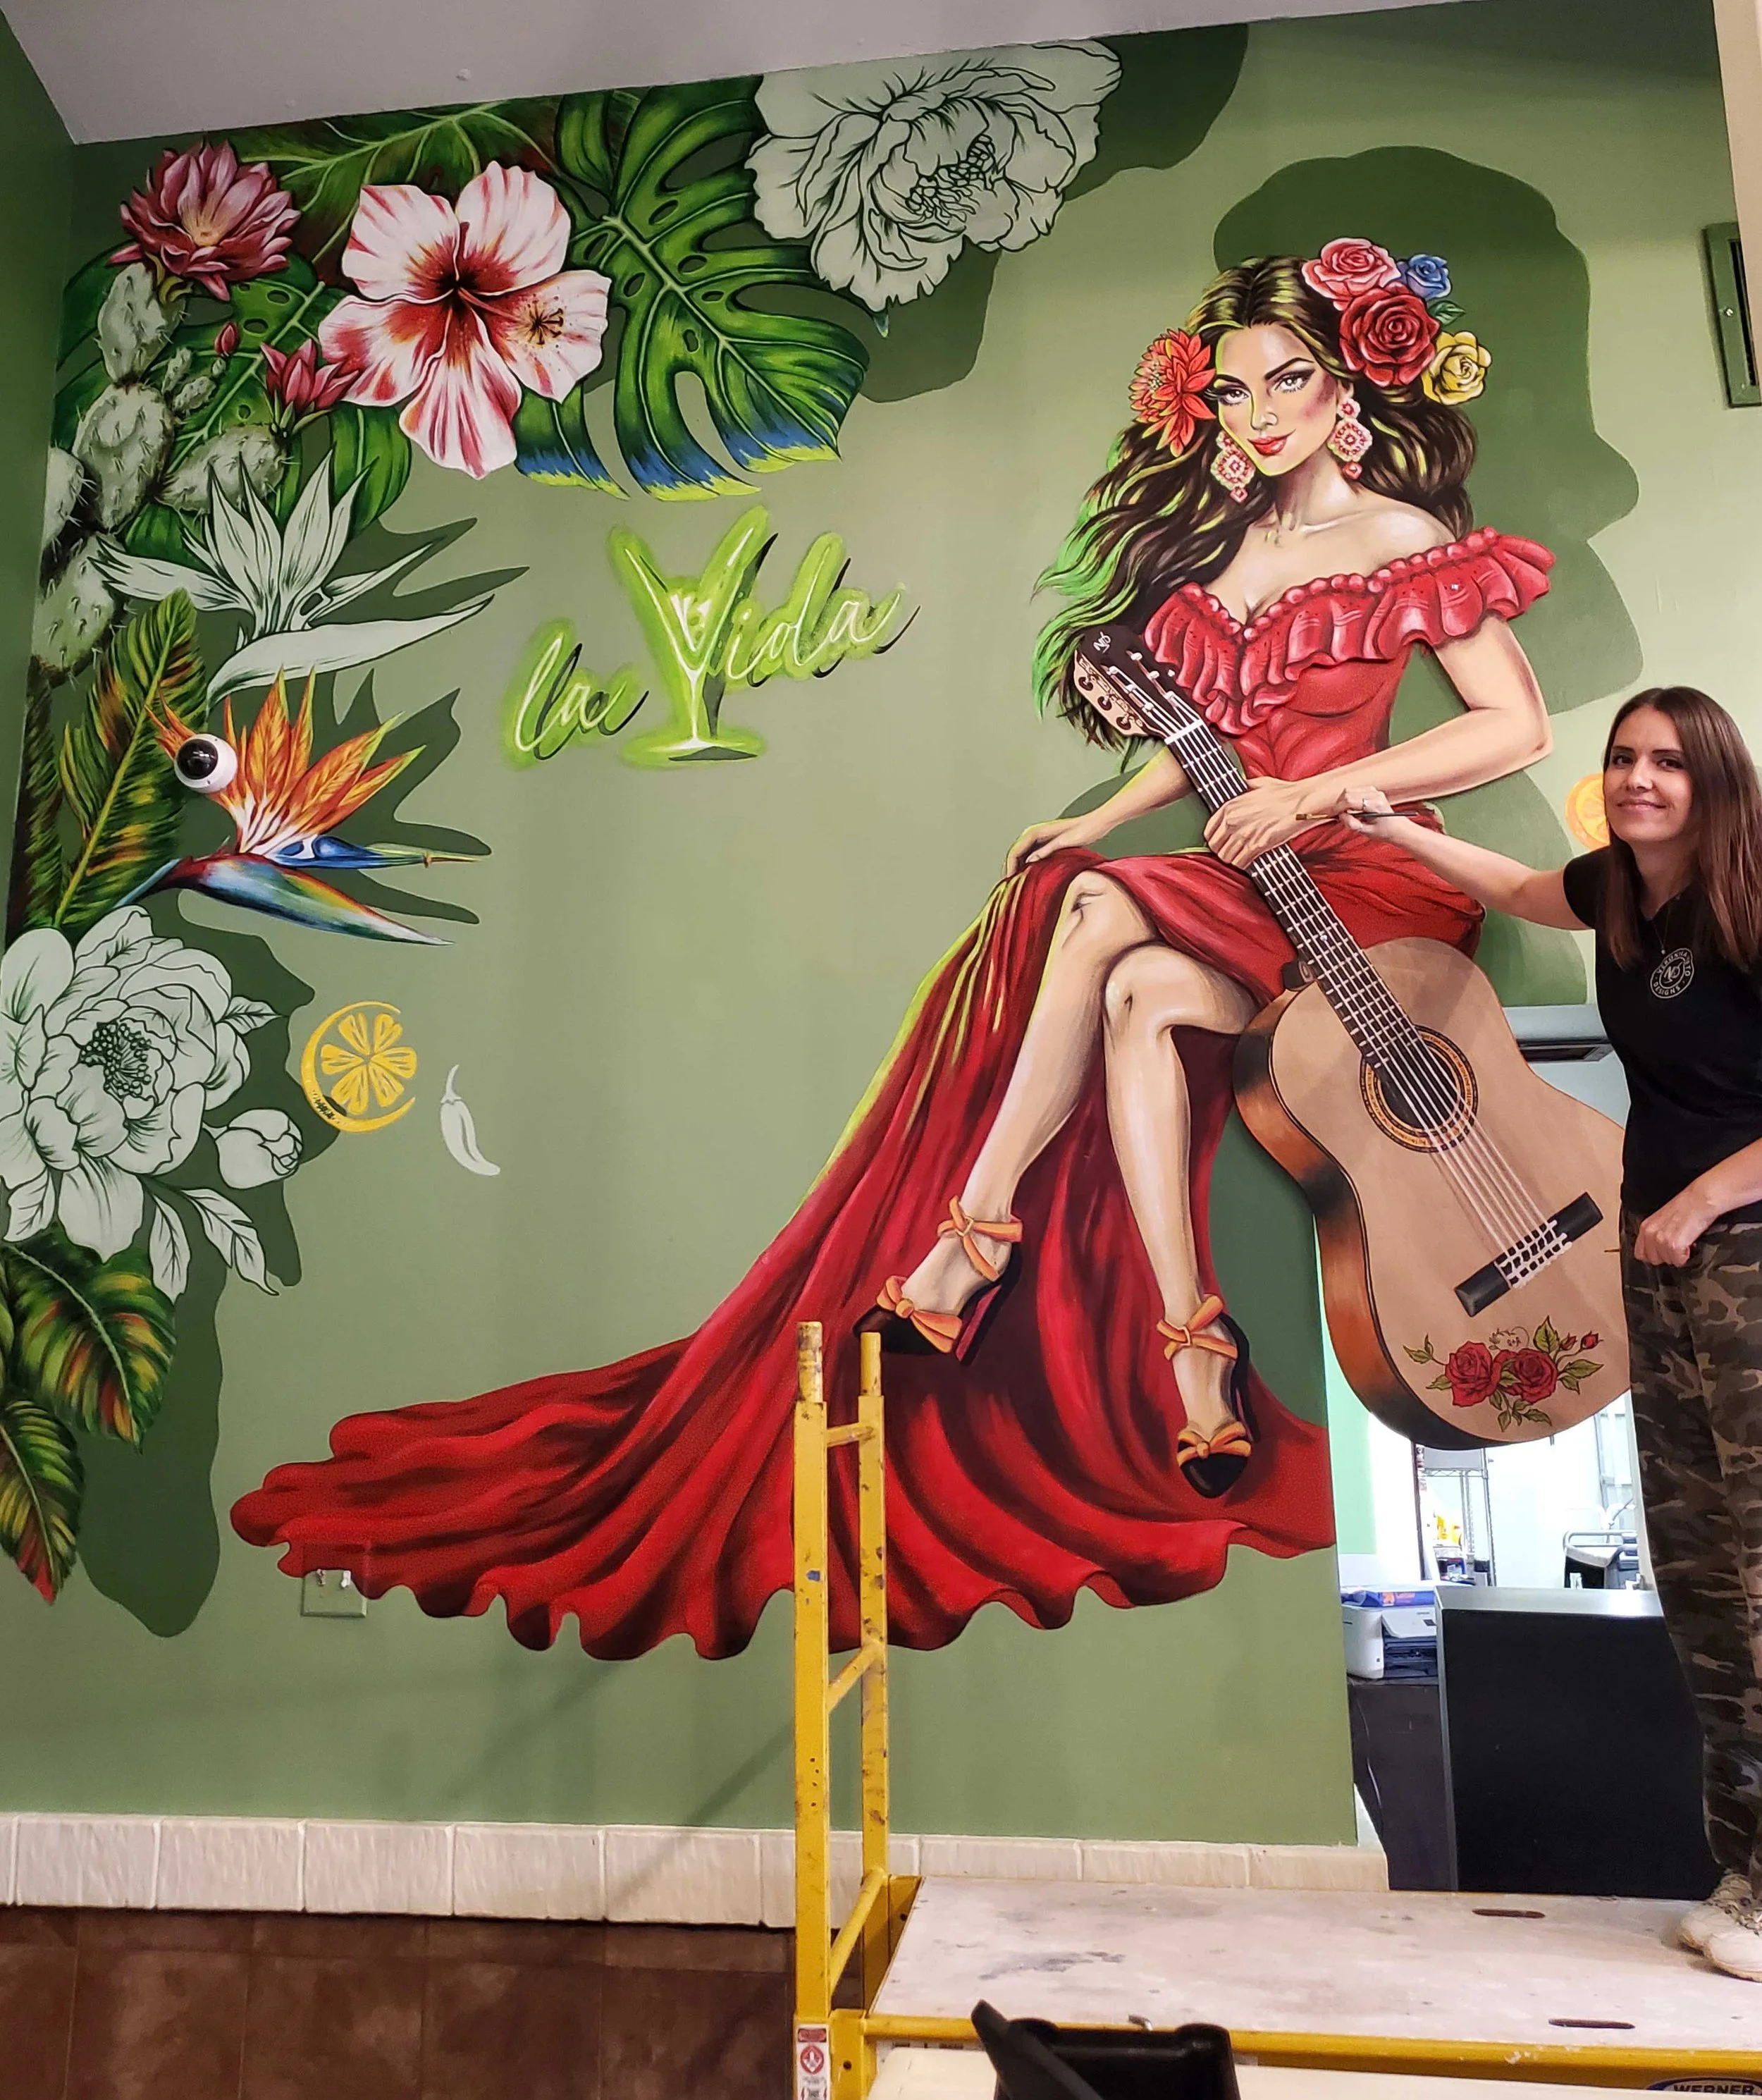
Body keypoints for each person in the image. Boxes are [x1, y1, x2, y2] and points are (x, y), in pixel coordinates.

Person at [234, 240, 1553, 1661]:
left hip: (1361, 880)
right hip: (1246, 866)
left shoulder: (1404, 538)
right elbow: (1206, 758)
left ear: (1343, 383)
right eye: (1231, 390)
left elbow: (1512, 730)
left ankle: (965, 1244)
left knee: (1106, 919)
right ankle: (1190, 1345)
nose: (1259, 410)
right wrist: (1091, 813)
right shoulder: (1213, 560)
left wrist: (1319, 793)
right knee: (1128, 987)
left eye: (1286, 377)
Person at [1344, 686, 1762, 1982]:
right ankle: (1749, 1876)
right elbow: (1527, 888)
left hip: (1742, 1245)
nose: (1641, 779)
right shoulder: (1625, 895)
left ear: (1715, 780)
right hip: (1661, 1256)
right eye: (1625, 758)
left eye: (1669, 764)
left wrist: (1698, 1198)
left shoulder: (1752, 895)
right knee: (1697, 1575)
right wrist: (1396, 827)